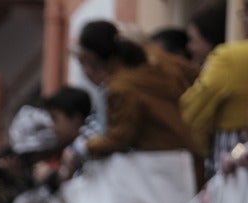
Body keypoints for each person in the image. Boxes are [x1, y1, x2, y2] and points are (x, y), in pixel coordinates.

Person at [72, 21, 198, 167]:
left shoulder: (121, 87)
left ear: (89, 57)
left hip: (163, 163)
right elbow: (196, 76)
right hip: (190, 149)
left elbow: (119, 138)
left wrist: (83, 147)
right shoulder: (157, 57)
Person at [181, 0, 248, 175]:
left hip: (233, 154)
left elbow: (191, 110)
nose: (190, 48)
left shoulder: (228, 57)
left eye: (192, 40)